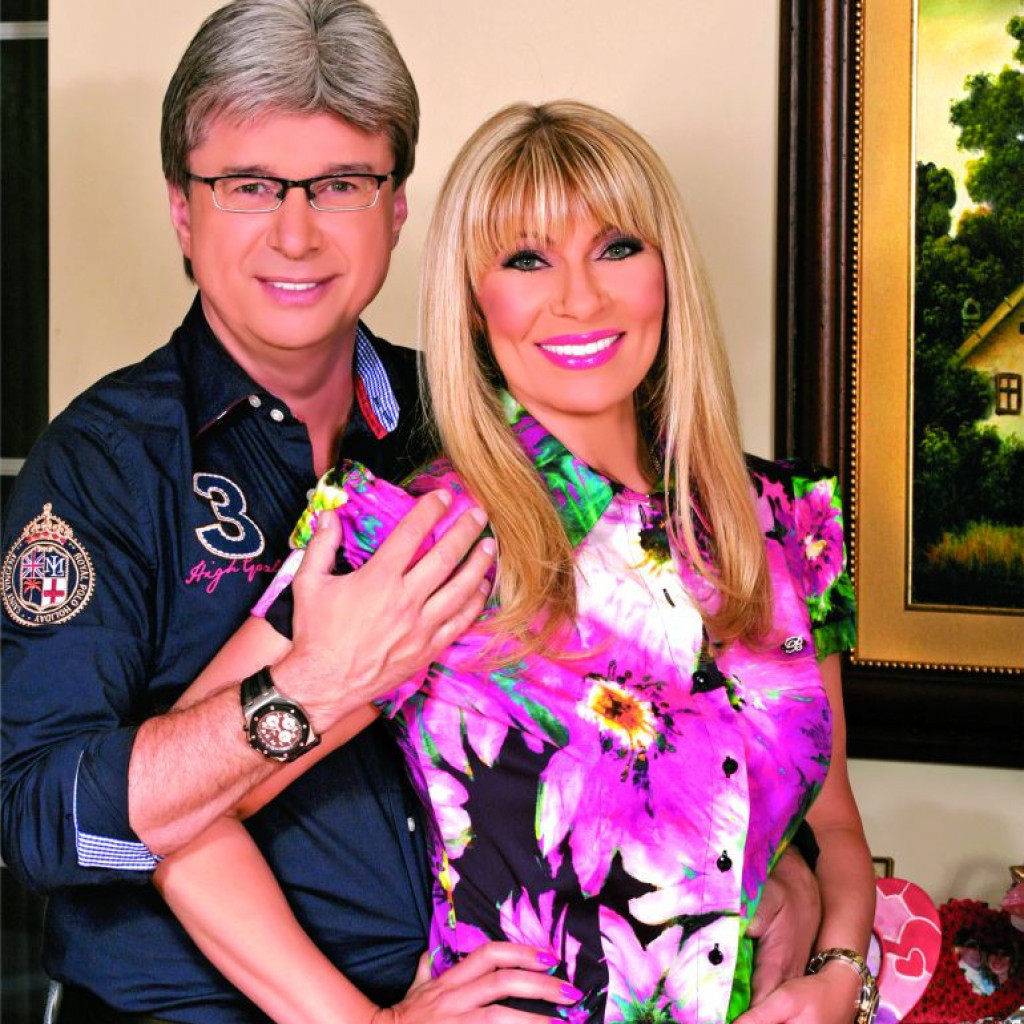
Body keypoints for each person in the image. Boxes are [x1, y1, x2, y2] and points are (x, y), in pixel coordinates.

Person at [0, 4, 818, 1022]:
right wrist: (313, 684)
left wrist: (775, 866)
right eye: (249, 186)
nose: (295, 233)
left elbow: (664, 681)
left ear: (396, 209)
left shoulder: (487, 426)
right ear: (181, 210)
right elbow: (37, 819)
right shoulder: (102, 464)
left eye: (341, 184)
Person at [151, 100, 878, 1024]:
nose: (580, 299)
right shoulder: (418, 536)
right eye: (527, 260)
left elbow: (835, 822)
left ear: (668, 272)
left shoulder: (786, 522)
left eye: (617, 248)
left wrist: (840, 967)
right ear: (472, 298)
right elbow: (177, 816)